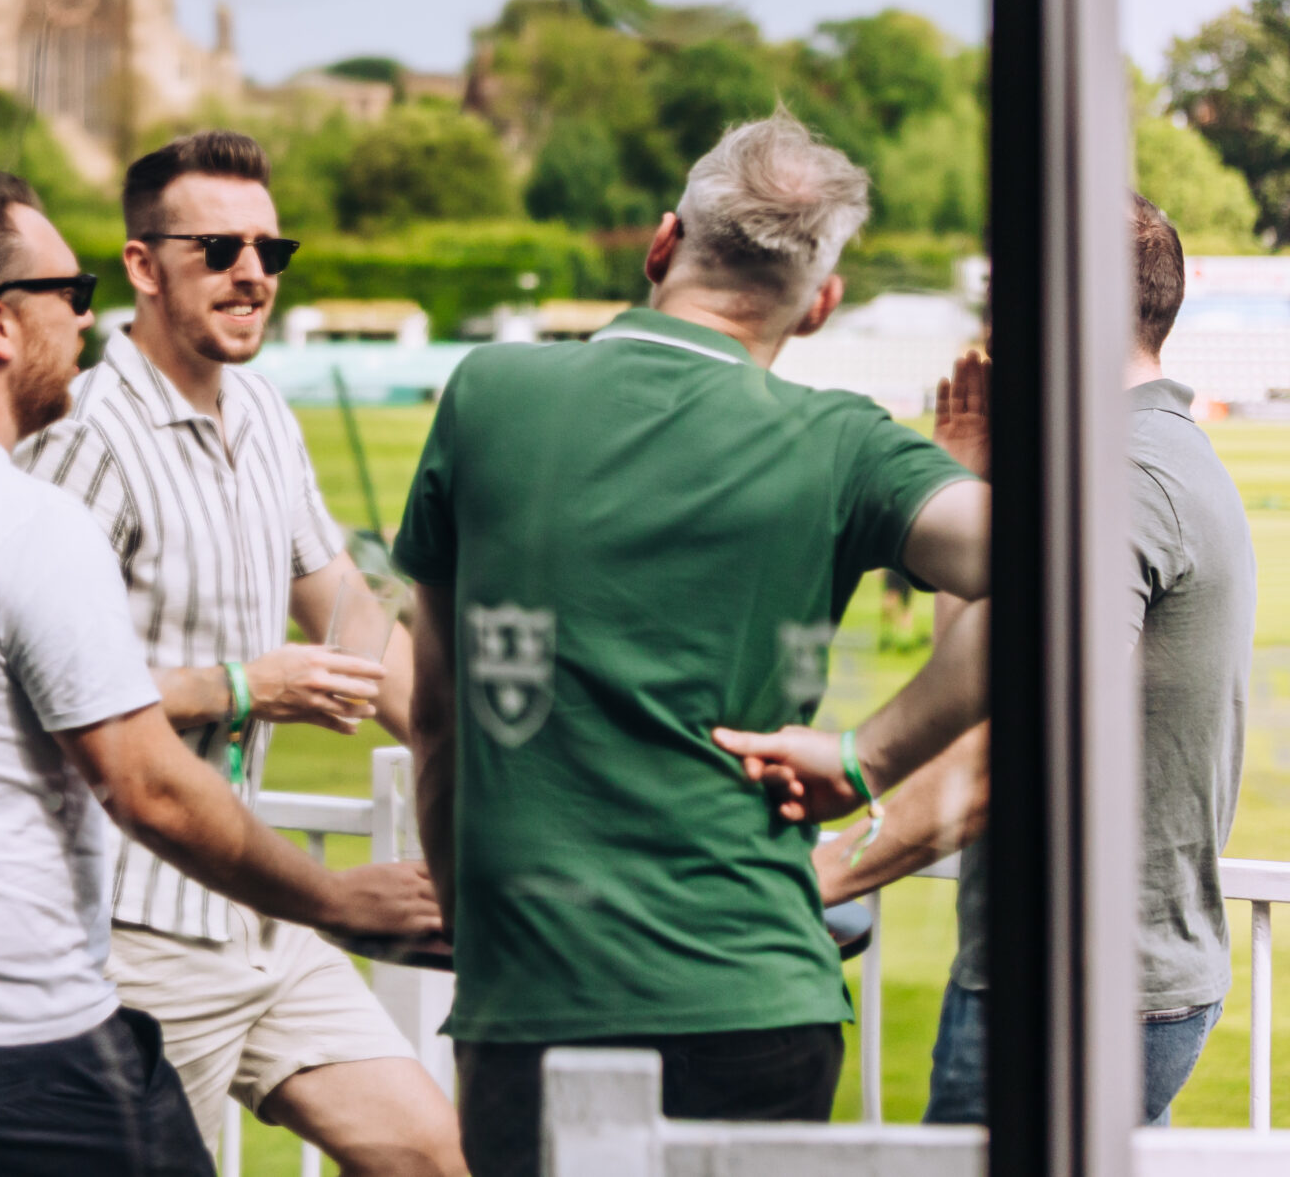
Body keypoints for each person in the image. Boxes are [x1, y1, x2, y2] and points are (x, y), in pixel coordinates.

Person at [0, 170, 439, 1177]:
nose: (88, 320)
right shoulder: (29, 518)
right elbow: (142, 784)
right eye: (70, 293)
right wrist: (335, 899)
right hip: (7, 1040)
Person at [395, 109, 992, 1177]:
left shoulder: (488, 392)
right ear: (820, 303)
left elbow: (436, 715)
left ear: (661, 243)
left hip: (534, 995)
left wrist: (473, 922)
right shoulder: (841, 441)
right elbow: (1070, 571)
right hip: (755, 998)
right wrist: (864, 757)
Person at [16, 130, 465, 1177]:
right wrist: (239, 686)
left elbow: (342, 606)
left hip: (259, 910)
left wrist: (475, 753)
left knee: (438, 1156)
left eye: (271, 250)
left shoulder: (260, 407)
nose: (253, 273)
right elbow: (28, 685)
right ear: (142, 266)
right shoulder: (85, 437)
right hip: (129, 932)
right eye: (218, 250)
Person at [783, 194, 1256, 1127]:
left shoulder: (1124, 481)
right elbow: (982, 686)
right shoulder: (1135, 460)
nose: (993, 333)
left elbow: (1022, 739)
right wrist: (972, 481)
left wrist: (819, 877)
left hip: (1072, 993)